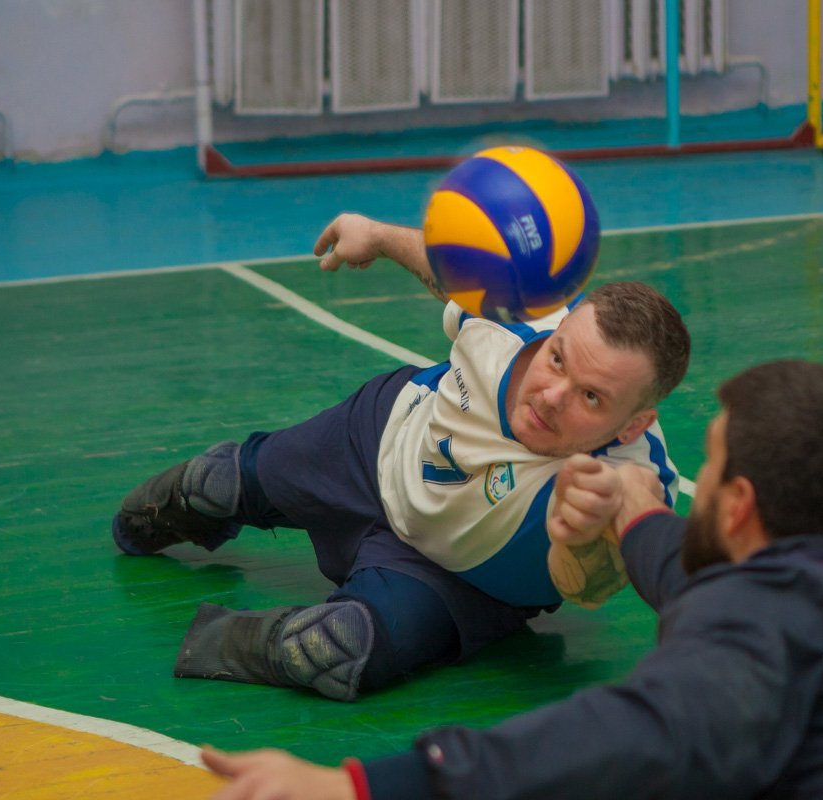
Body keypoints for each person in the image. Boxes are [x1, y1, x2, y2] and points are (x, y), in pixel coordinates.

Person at [196, 359, 823, 799]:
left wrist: (360, 787)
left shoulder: (771, 614)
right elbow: (699, 581)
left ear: (737, 507)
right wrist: (636, 511)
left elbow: (641, 735)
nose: (688, 486)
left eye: (704, 469)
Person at [112, 213, 692, 702]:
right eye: (559, 359)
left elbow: (586, 586)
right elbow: (451, 272)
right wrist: (380, 237)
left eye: (592, 397)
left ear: (635, 421)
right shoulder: (523, 310)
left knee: (332, 649)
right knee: (212, 484)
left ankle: (217, 639)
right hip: (375, 444)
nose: (552, 395)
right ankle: (184, 512)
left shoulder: (630, 484)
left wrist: (578, 533)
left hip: (455, 579)